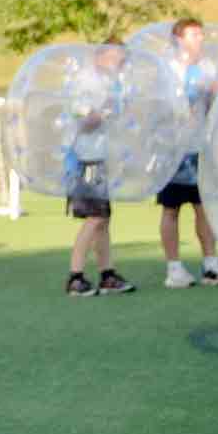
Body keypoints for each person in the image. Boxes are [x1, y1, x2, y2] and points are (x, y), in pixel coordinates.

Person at [155, 19, 218, 289]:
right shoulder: (168, 69)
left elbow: (215, 107)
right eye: (193, 34)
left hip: (200, 148)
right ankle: (174, 268)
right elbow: (162, 108)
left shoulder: (207, 68)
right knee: (171, 208)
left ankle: (210, 265)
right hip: (174, 150)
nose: (199, 39)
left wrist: (217, 95)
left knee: (205, 207)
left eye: (201, 34)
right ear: (178, 39)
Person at [62, 44, 136, 297]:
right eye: (116, 57)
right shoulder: (84, 81)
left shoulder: (111, 84)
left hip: (100, 157)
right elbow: (84, 120)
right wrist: (102, 112)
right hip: (87, 160)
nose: (119, 63)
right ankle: (75, 276)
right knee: (94, 217)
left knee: (103, 218)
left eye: (123, 59)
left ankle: (107, 274)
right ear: (100, 56)